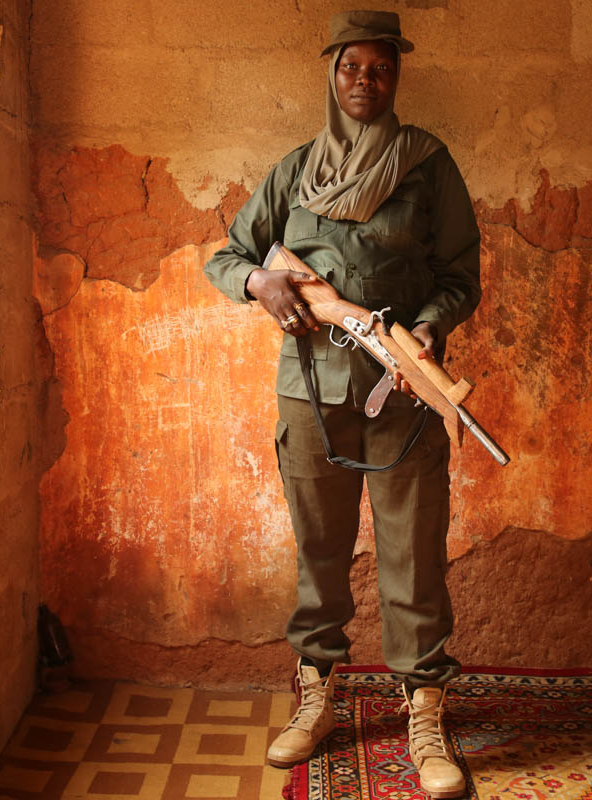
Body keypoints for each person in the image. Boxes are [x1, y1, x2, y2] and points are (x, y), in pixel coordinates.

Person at [203, 10, 480, 798]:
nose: (366, 81)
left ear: (398, 77)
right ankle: (317, 695)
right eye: (352, 67)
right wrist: (260, 282)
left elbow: (461, 274)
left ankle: (424, 709)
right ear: (332, 73)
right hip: (309, 395)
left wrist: (426, 326)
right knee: (319, 553)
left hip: (405, 391)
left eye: (381, 68)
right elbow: (230, 255)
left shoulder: (428, 166)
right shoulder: (296, 172)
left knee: (414, 555)